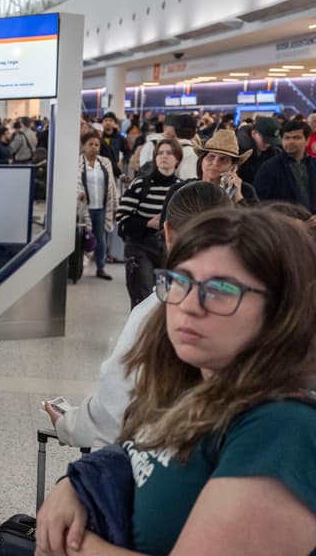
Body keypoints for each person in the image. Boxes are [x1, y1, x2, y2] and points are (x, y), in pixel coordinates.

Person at [35, 207, 316, 556]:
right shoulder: (192, 385)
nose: (189, 304)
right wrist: (78, 485)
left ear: (281, 310)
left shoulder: (283, 430)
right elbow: (138, 456)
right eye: (180, 281)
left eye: (221, 290)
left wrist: (70, 540)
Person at [45, 181, 233, 448]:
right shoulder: (255, 305)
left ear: (167, 231)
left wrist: (69, 425)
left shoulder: (155, 313)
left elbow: (114, 413)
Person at [116, 139, 182, 308]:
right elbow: (122, 218)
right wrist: (147, 223)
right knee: (143, 298)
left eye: (169, 153)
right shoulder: (141, 184)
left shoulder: (181, 187)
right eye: (160, 153)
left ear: (177, 159)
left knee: (166, 299)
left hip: (169, 249)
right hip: (140, 246)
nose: (164, 156)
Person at [77, 131, 119, 280]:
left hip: (101, 207)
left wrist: (114, 204)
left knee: (100, 239)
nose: (94, 147)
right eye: (90, 144)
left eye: (97, 144)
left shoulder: (105, 162)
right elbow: (75, 183)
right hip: (84, 208)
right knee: (83, 237)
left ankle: (101, 267)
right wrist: (79, 193)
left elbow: (112, 185)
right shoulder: (78, 163)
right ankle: (78, 266)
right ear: (83, 147)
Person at [254, 120, 316, 212]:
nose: (290, 142)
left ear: (307, 140)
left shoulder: (313, 165)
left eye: (296, 138)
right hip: (284, 223)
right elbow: (261, 202)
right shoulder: (270, 167)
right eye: (286, 138)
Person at [191, 129, 259, 204]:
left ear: (233, 166)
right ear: (201, 161)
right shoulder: (186, 188)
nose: (215, 163)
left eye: (223, 160)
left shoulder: (246, 191)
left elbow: (251, 215)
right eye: (210, 157)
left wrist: (237, 196)